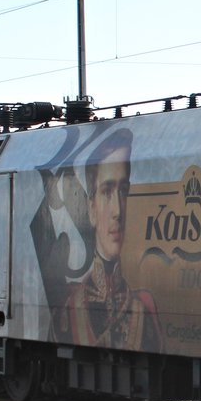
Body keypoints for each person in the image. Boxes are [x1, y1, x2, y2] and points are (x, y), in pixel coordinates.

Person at [54, 129, 163, 351]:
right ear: (91, 208)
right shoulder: (67, 311)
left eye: (123, 191)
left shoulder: (144, 308)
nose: (118, 211)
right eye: (106, 192)